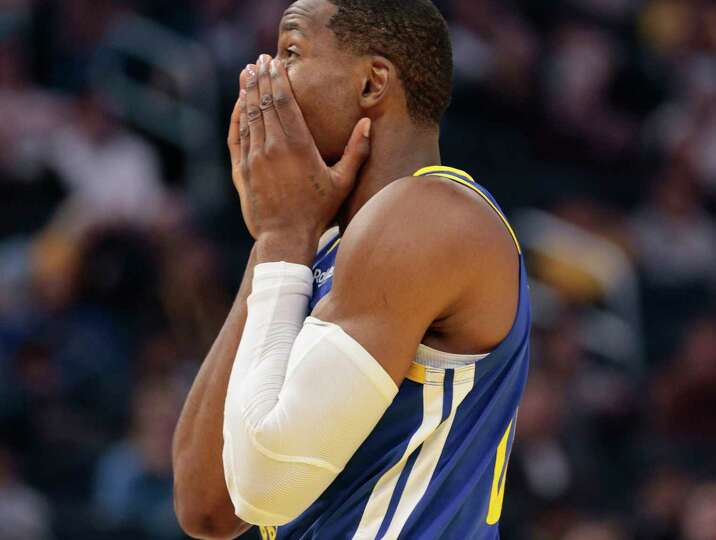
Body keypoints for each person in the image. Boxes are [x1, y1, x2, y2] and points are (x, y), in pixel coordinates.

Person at [171, 1, 530, 539]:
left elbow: (266, 485)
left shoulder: (431, 215)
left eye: (290, 51)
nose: (264, 75)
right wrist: (279, 241)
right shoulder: (312, 250)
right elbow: (207, 508)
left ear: (371, 84)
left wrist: (281, 236)